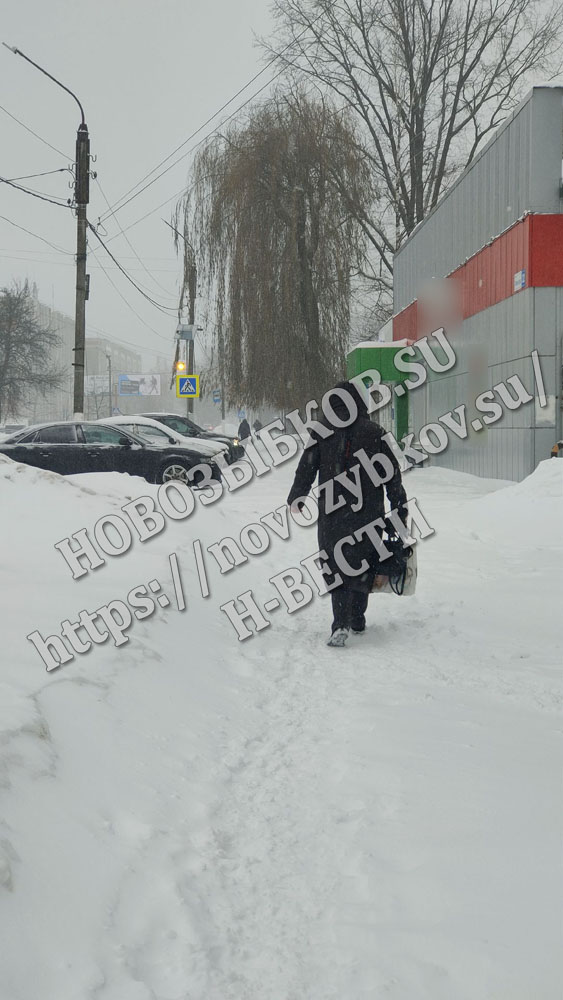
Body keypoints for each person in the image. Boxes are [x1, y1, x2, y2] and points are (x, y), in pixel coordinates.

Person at [287, 380, 408, 647]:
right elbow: (392, 475)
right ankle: (357, 618)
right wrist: (400, 510)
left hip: (332, 514)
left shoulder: (321, 431)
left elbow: (306, 468)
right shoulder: (374, 432)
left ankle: (340, 622)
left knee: (335, 564)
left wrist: (297, 496)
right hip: (369, 513)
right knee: (364, 561)